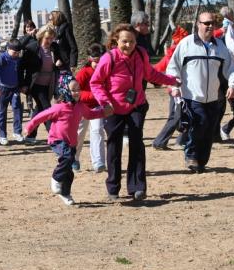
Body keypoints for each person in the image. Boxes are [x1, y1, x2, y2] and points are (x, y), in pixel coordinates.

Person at [91, 24, 179, 200]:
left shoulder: (140, 54)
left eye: (132, 41)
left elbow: (150, 74)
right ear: (116, 40)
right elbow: (96, 82)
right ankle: (113, 188)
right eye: (124, 41)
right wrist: (105, 102)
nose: (128, 45)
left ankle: (137, 187)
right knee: (114, 146)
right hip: (113, 108)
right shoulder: (109, 58)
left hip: (136, 105)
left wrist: (172, 80)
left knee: (137, 143)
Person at [166, 11, 234, 173]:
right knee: (200, 123)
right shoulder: (186, 44)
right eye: (206, 23)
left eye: (212, 23)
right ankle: (191, 155)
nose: (210, 26)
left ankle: (201, 161)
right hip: (191, 96)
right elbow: (173, 67)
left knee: (209, 129)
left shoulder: (220, 47)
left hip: (213, 96)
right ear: (198, 24)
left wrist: (233, 85)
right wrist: (175, 86)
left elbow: (231, 68)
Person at [25, 73, 109, 206]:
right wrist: (29, 127)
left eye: (78, 89)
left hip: (71, 142)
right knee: (68, 157)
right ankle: (55, 179)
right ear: (65, 90)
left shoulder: (80, 106)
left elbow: (90, 114)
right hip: (57, 140)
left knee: (69, 172)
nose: (76, 92)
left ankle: (65, 193)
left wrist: (104, 112)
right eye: (73, 90)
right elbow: (41, 116)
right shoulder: (59, 107)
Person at [20, 25, 61, 144]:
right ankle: (54, 136)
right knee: (47, 109)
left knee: (39, 110)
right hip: (35, 84)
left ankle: (29, 135)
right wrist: (22, 84)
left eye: (52, 38)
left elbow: (63, 61)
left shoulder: (54, 48)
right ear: (41, 36)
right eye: (47, 38)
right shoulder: (32, 48)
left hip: (49, 84)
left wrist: (60, 63)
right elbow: (21, 67)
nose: (50, 40)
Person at [152, 26, 189, 151]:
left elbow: (156, 68)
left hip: (184, 89)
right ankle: (159, 141)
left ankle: (181, 140)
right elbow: (156, 69)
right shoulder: (174, 54)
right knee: (176, 117)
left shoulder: (174, 53)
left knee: (184, 115)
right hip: (176, 90)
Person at [73, 43, 107, 173]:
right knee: (79, 134)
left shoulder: (106, 72)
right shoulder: (83, 73)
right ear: (90, 59)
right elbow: (76, 92)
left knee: (98, 130)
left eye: (100, 61)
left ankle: (98, 161)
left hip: (98, 107)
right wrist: (94, 95)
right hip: (82, 107)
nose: (98, 64)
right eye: (95, 61)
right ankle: (74, 158)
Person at [0, 39, 24, 145]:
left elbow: (19, 72)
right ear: (8, 49)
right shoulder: (2, 58)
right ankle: (2, 135)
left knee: (17, 108)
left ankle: (17, 132)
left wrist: (21, 85)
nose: (16, 55)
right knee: (1, 111)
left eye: (18, 53)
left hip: (15, 88)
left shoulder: (18, 59)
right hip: (3, 89)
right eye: (14, 52)